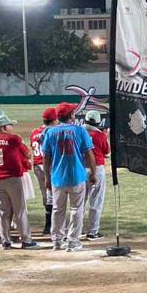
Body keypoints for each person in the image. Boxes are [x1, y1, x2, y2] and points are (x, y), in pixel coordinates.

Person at [44, 102, 96, 252]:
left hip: (57, 177)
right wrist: (93, 172)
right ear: (71, 116)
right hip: (76, 176)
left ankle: (57, 240)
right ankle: (73, 241)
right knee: (76, 209)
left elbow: (46, 157)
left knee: (57, 209)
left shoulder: (50, 132)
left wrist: (47, 177)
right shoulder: (79, 131)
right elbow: (89, 153)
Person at [0, 115, 40, 250]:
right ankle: (26, 240)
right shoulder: (13, 138)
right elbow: (28, 154)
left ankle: (5, 240)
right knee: (20, 210)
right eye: (10, 125)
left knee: (2, 211)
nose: (12, 127)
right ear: (4, 127)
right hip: (13, 177)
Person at [82, 110, 110, 240]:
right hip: (97, 169)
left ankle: (75, 230)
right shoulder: (100, 135)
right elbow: (107, 153)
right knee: (96, 201)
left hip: (81, 168)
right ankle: (93, 231)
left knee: (79, 202)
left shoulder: (79, 132)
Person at [30, 108, 56, 235]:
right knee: (52, 195)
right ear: (54, 120)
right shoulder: (52, 131)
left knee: (45, 194)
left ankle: (50, 223)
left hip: (37, 164)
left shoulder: (34, 132)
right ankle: (50, 225)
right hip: (48, 164)